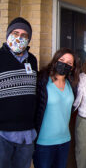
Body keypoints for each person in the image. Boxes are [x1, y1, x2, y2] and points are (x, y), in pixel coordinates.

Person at [33, 48, 80, 168]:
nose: (65, 64)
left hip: (64, 141)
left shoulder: (72, 84)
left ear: (73, 67)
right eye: (62, 60)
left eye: (69, 63)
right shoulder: (42, 81)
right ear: (55, 61)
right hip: (44, 142)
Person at [0, 17, 37, 168]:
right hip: (2, 133)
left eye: (24, 35)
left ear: (28, 40)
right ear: (8, 34)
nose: (19, 38)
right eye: (15, 33)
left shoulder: (32, 60)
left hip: (26, 134)